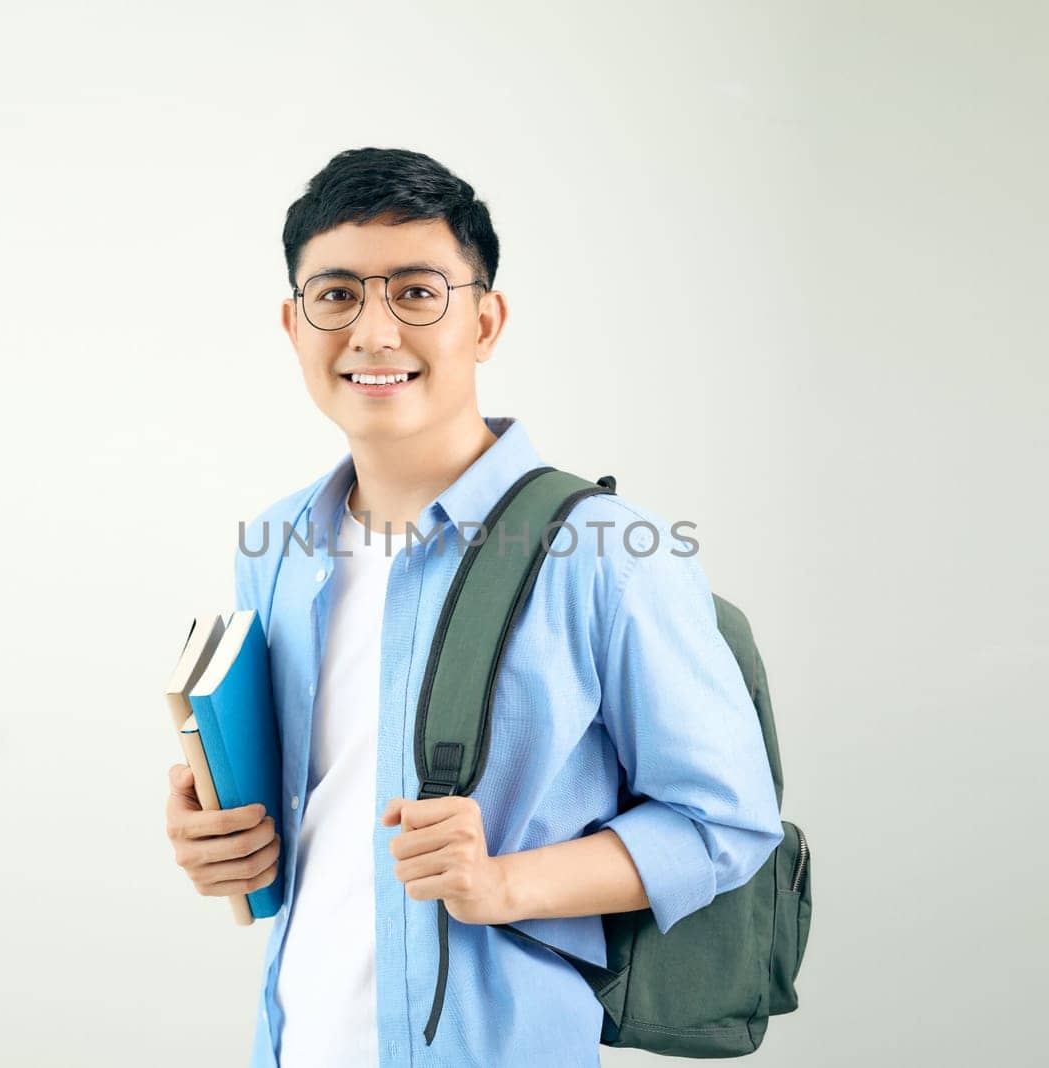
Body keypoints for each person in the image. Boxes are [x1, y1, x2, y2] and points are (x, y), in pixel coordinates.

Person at [165, 147, 784, 1068]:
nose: (373, 333)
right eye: (337, 296)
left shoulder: (607, 551)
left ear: (486, 320)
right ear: (293, 325)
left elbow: (726, 823)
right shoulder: (278, 542)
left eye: (418, 293)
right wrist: (215, 833)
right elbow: (317, 809)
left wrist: (504, 883)